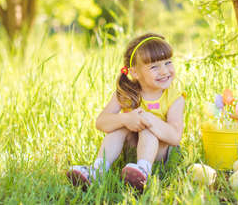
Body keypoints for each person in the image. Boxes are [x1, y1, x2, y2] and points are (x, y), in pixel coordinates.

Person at [67, 33, 185, 191]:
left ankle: (143, 172)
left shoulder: (175, 98)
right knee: (119, 127)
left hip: (160, 154)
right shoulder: (126, 93)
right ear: (135, 73)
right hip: (132, 149)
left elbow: (175, 137)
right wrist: (125, 119)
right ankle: (97, 171)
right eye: (154, 67)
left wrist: (149, 119)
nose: (164, 71)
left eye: (168, 62)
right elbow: (101, 122)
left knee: (148, 130)